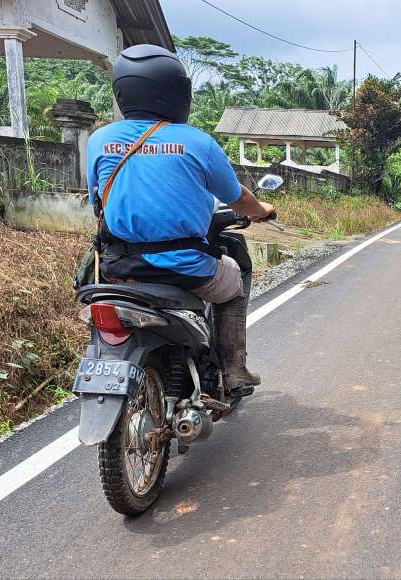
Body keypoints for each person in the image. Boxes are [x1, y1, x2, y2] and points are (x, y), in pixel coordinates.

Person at [86, 44, 275, 399]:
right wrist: (262, 211)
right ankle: (233, 368)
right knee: (232, 280)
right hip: (184, 267)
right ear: (176, 91)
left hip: (118, 267)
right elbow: (238, 198)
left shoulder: (100, 139)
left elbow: (96, 199)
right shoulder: (197, 142)